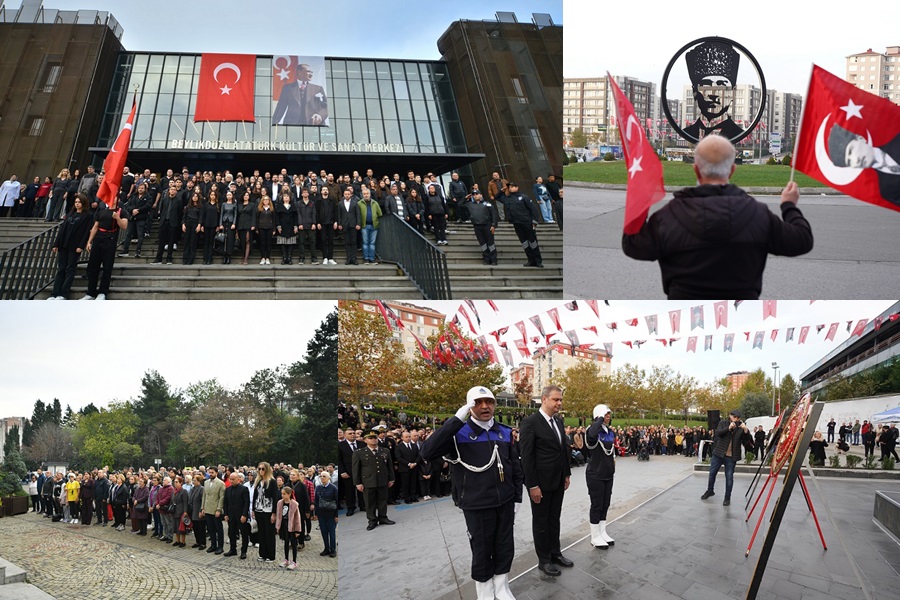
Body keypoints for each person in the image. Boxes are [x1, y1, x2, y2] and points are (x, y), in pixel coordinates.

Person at [622, 135, 814, 299]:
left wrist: (641, 195)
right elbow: (802, 240)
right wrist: (789, 205)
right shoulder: (759, 214)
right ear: (732, 170)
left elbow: (633, 244)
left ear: (696, 169)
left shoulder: (668, 216)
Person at [420, 386, 523, 600]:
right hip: (476, 503)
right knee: (482, 549)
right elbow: (427, 452)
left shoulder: (504, 432)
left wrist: (517, 497)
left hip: (504, 500)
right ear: (469, 406)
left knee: (505, 545)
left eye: (489, 401)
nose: (485, 406)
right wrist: (456, 420)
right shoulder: (458, 433)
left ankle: (502, 587)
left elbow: (514, 466)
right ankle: (485, 593)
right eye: (478, 402)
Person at [519, 385, 572, 576]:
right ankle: (544, 560)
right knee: (541, 522)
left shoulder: (558, 421)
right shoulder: (530, 423)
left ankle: (555, 553)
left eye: (560, 400)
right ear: (544, 399)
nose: (559, 403)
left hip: (557, 481)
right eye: (556, 399)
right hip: (540, 484)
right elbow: (527, 457)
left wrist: (566, 474)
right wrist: (532, 485)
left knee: (554, 519)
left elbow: (562, 450)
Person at [683, 41, 744, 141]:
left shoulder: (738, 135)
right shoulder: (686, 134)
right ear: (694, 91)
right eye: (706, 84)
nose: (713, 94)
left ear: (733, 92)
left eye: (722, 84)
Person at [827, 123, 900, 204]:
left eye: (851, 150)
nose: (855, 160)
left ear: (860, 138)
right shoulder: (886, 191)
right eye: (849, 161)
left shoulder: (897, 140)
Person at [82, 193, 129, 300]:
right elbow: (95, 227)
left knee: (107, 267)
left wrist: (117, 218)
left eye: (115, 197)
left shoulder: (122, 212)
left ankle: (103, 292)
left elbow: (124, 226)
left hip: (110, 240)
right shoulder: (101, 211)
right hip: (98, 239)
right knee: (92, 266)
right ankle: (90, 292)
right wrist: (89, 241)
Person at [702, 409, 752, 506]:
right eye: (734, 417)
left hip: (731, 456)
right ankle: (710, 490)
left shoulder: (741, 426)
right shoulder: (723, 423)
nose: (736, 419)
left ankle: (727, 497)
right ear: (730, 416)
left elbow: (746, 441)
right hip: (719, 453)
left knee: (729, 477)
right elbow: (718, 433)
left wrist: (746, 431)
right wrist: (728, 428)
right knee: (712, 473)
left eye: (738, 418)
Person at [47, 193, 92, 300]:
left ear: (83, 203)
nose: (77, 204)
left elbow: (86, 232)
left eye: (79, 202)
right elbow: (62, 230)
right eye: (76, 202)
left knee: (70, 269)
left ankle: (63, 293)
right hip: (64, 244)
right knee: (61, 269)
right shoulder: (71, 213)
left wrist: (81, 245)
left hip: (75, 245)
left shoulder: (88, 215)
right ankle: (54, 293)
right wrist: (56, 244)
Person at [585, 404, 616, 549]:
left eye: (609, 414)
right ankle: (595, 536)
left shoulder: (609, 431)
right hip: (595, 474)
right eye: (606, 414)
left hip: (608, 474)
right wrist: (599, 418)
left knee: (605, 504)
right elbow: (591, 436)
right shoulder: (592, 431)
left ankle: (602, 532)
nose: (608, 416)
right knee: (596, 505)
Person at [352, 430, 395, 531]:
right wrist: (358, 483)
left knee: (382, 501)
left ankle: (383, 517)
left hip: (382, 479)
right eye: (370, 438)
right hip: (368, 481)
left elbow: (390, 466)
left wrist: (391, 479)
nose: (374, 440)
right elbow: (356, 469)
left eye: (375, 437)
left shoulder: (385, 451)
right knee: (369, 502)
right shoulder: (359, 453)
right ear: (365, 440)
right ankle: (372, 520)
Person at [505, 183, 544, 268]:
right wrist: (502, 190)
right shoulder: (508, 199)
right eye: (509, 187)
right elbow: (497, 197)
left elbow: (533, 209)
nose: (510, 188)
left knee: (533, 242)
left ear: (517, 187)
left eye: (512, 187)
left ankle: (538, 261)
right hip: (517, 223)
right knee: (524, 243)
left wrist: (534, 221)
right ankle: (530, 260)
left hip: (527, 222)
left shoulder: (524, 197)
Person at [253, 461, 279, 563]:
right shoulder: (258, 481)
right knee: (261, 533)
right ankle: (262, 554)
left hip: (268, 510)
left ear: (267, 470)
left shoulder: (272, 481)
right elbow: (255, 497)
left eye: (263, 469)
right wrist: (253, 510)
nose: (260, 471)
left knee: (269, 533)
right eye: (259, 469)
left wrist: (274, 513)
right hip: (259, 509)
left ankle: (271, 555)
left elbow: (275, 498)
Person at [119, 182, 152, 258]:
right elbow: (128, 205)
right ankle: (125, 250)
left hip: (141, 218)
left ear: (145, 189)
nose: (140, 189)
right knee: (128, 234)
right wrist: (132, 210)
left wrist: (138, 210)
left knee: (140, 235)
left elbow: (148, 206)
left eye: (142, 188)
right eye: (139, 188)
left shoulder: (148, 197)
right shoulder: (133, 196)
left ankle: (138, 251)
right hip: (132, 217)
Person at [223, 471, 251, 559]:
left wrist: (244, 515)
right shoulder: (228, 489)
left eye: (233, 479)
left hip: (241, 515)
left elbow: (246, 503)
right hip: (231, 515)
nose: (231, 481)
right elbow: (225, 503)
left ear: (238, 480)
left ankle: (243, 551)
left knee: (244, 533)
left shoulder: (244, 489)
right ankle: (233, 549)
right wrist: (226, 514)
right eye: (230, 479)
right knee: (231, 533)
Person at [275, 485, 303, 569]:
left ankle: (294, 561)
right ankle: (286, 559)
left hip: (292, 526)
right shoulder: (280, 503)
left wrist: (298, 530)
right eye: (282, 494)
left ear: (289, 494)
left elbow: (297, 518)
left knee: (293, 543)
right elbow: (279, 515)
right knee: (286, 542)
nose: (282, 495)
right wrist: (278, 526)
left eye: (284, 494)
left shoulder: (294, 504)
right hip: (283, 525)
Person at [467, 191, 499, 265]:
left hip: (487, 226)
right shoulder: (470, 204)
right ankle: (486, 259)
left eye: (477, 194)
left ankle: (494, 259)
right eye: (474, 195)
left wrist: (494, 225)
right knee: (483, 244)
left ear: (481, 195)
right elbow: (460, 204)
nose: (475, 196)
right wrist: (465, 198)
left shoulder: (487, 203)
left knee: (490, 243)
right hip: (477, 226)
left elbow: (493, 214)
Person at [201, 466, 226, 555]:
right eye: (209, 472)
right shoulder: (206, 482)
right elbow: (204, 496)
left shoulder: (220, 483)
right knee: (211, 529)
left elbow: (221, 498)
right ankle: (213, 545)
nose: (210, 474)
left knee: (218, 529)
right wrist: (203, 508)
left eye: (212, 472)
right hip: (207, 509)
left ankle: (220, 547)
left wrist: (219, 509)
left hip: (216, 509)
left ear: (216, 473)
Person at [315, 471, 338, 558]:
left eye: (324, 476)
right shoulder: (318, 488)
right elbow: (316, 501)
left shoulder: (333, 488)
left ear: (329, 478)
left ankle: (333, 549)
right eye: (321, 476)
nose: (322, 478)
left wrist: (336, 515)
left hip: (331, 514)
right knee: (324, 532)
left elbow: (336, 501)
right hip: (321, 514)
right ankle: (326, 548)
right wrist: (316, 513)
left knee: (331, 532)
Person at [295, 188, 318, 264]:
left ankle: (314, 258)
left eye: (306, 192)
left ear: (308, 194)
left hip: (311, 225)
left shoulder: (312, 203)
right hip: (302, 225)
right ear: (301, 194)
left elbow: (314, 213)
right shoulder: (298, 203)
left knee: (313, 242)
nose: (305, 194)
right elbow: (298, 214)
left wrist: (314, 223)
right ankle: (301, 258)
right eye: (303, 192)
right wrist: (300, 224)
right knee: (301, 242)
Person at [338, 186, 360, 265]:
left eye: (348, 194)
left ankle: (354, 258)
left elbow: (358, 214)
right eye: (345, 194)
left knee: (353, 242)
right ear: (343, 195)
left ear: (351, 194)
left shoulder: (355, 203)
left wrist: (358, 223)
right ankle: (348, 258)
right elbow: (339, 215)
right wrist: (339, 223)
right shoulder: (340, 203)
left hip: (353, 225)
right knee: (347, 242)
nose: (347, 195)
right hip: (345, 225)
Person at [199, 190, 220, 265]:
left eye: (214, 195)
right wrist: (201, 225)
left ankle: (210, 259)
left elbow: (219, 216)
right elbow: (203, 215)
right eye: (211, 195)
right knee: (206, 242)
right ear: (209, 196)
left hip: (214, 225)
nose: (213, 196)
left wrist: (218, 225)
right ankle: (205, 258)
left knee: (211, 242)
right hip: (206, 225)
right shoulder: (206, 205)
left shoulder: (217, 205)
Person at [256, 194, 277, 265]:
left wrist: (274, 229)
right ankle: (262, 258)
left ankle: (267, 257)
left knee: (268, 243)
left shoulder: (272, 209)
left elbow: (274, 219)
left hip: (269, 227)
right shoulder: (259, 209)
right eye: (264, 200)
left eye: (267, 199)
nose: (265, 201)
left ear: (269, 201)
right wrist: (257, 228)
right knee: (262, 243)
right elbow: (257, 219)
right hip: (261, 227)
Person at [219, 190, 238, 264]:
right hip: (224, 222)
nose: (229, 196)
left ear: (232, 196)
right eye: (228, 195)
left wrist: (234, 223)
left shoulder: (234, 204)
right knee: (224, 239)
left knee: (230, 239)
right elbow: (221, 214)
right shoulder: (223, 204)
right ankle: (224, 256)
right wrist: (220, 224)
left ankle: (229, 256)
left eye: (230, 195)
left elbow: (235, 214)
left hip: (231, 223)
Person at [189, 474, 206, 550]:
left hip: (198, 510)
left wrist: (201, 510)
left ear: (199, 481)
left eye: (195, 480)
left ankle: (203, 543)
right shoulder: (192, 488)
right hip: (192, 511)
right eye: (193, 480)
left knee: (201, 527)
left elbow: (203, 500)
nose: (193, 481)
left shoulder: (201, 489)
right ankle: (198, 541)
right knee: (195, 527)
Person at [156, 476, 175, 543]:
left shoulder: (171, 488)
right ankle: (166, 535)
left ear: (169, 482)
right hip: (161, 508)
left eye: (165, 480)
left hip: (166, 508)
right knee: (163, 523)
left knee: (168, 523)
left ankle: (170, 536)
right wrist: (157, 503)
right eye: (163, 480)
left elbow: (168, 498)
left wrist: (160, 503)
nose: (163, 481)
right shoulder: (161, 488)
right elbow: (158, 496)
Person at [172, 477, 190, 547]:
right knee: (175, 527)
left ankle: (183, 541)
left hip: (181, 511)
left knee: (181, 527)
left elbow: (185, 502)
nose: (175, 484)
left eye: (177, 482)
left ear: (181, 483)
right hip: (174, 511)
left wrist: (185, 511)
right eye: (175, 482)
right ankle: (177, 540)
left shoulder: (183, 491)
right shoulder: (174, 491)